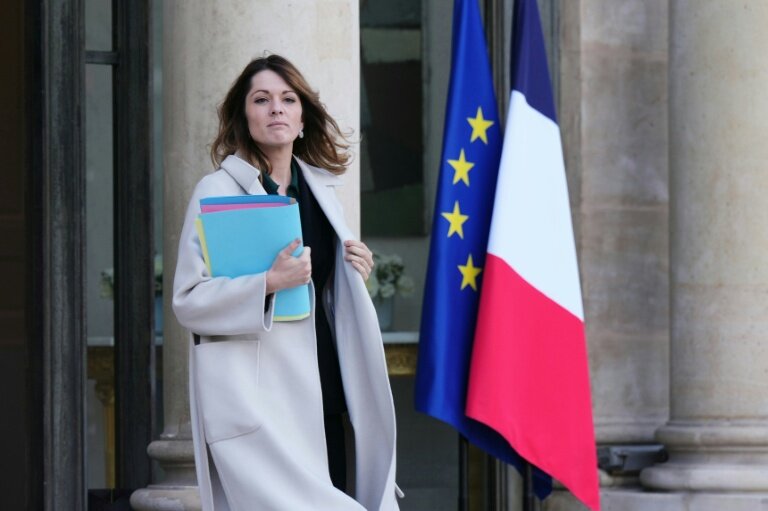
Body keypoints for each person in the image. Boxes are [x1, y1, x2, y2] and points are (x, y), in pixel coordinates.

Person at [173, 55, 402, 511]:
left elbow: (325, 292)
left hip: (327, 385)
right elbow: (188, 300)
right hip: (260, 397)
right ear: (244, 118)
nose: (276, 108)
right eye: (261, 100)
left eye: (288, 99)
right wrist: (268, 283)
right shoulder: (215, 192)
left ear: (302, 119)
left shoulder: (322, 192)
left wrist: (354, 271)